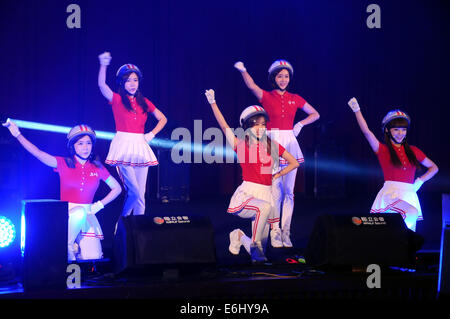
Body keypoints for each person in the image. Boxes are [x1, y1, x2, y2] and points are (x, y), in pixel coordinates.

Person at [2, 120, 122, 260]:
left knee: (93, 257)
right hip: (68, 214)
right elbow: (39, 154)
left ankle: (74, 249)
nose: (85, 147)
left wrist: (98, 205)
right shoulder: (63, 163)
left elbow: (117, 188)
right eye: (80, 143)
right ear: (73, 146)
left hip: (88, 214)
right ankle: (67, 246)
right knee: (78, 215)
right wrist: (18, 135)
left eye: (88, 143)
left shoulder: (98, 167)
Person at [204, 89, 299, 264]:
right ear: (247, 127)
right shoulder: (240, 145)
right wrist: (213, 103)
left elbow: (295, 163)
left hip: (266, 194)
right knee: (262, 214)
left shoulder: (272, 145)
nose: (260, 128)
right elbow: (224, 126)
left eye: (263, 124)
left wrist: (278, 174)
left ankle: (239, 236)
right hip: (248, 195)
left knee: (260, 252)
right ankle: (255, 247)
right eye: (255, 124)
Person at [234, 59, 319, 248]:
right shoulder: (267, 96)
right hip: (270, 142)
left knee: (289, 193)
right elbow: (252, 85)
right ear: (274, 78)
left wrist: (300, 124)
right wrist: (243, 70)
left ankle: (286, 232)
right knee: (274, 192)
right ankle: (275, 232)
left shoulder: (295, 98)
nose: (283, 79)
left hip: (289, 142)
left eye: (286, 76)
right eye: (279, 76)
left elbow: (315, 114)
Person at [348, 97, 438, 231]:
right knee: (411, 214)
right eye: (396, 129)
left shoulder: (414, 151)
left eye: (403, 129)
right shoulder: (383, 150)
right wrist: (357, 110)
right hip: (391, 194)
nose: (400, 133)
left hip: (410, 194)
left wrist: (420, 181)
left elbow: (434, 168)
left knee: (410, 233)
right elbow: (367, 132)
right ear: (387, 130)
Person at [98, 52, 167, 216]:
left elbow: (163, 119)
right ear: (121, 83)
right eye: (128, 80)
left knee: (141, 195)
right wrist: (104, 64)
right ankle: (123, 225)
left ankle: (139, 230)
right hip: (123, 145)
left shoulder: (144, 102)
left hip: (140, 145)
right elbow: (102, 86)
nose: (132, 84)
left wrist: (150, 135)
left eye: (135, 80)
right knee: (134, 191)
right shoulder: (116, 99)